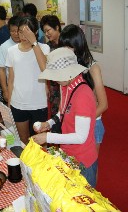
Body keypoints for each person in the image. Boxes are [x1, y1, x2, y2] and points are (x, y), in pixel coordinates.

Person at [32, 47, 98, 187]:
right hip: (68, 154)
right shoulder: (66, 86)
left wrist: (47, 137)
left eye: (56, 75)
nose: (54, 80)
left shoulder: (83, 95)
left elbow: (80, 137)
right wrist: (49, 123)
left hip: (82, 161)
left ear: (69, 73)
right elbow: (63, 111)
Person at [58, 25, 108, 157]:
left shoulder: (92, 67)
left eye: (68, 47)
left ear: (78, 45)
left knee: (89, 167)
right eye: (62, 46)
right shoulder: (65, 66)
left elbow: (103, 105)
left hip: (91, 123)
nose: (65, 51)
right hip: (70, 123)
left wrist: (81, 122)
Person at [6, 16, 50, 144]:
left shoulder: (44, 48)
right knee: (23, 140)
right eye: (20, 31)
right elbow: (11, 79)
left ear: (35, 32)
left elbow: (44, 70)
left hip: (38, 102)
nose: (22, 35)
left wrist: (34, 42)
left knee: (41, 142)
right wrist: (9, 102)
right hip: (18, 102)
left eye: (26, 32)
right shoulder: (11, 51)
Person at [40, 15, 62, 116]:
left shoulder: (68, 42)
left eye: (48, 30)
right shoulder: (47, 47)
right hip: (54, 85)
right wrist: (45, 85)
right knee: (55, 112)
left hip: (70, 84)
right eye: (45, 32)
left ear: (57, 27)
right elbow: (44, 68)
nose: (47, 34)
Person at [0, 16, 21, 104]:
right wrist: (5, 90)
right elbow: (2, 70)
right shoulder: (4, 47)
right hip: (12, 88)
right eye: (12, 31)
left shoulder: (29, 45)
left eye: (18, 31)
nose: (15, 34)